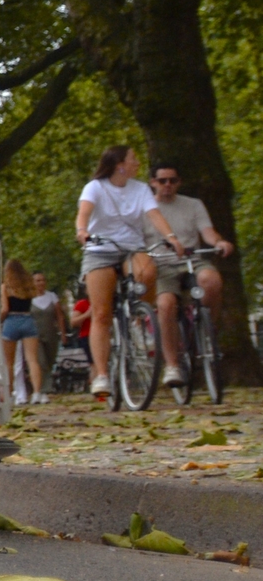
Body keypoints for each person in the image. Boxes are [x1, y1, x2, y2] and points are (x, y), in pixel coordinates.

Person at [75, 144, 190, 399]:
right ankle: (102, 376)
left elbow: (154, 214)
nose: (137, 163)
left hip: (131, 247)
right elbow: (84, 212)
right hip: (100, 249)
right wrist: (82, 231)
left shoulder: (140, 189)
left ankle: (140, 318)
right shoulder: (95, 187)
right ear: (120, 165)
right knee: (102, 313)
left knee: (147, 272)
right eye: (133, 159)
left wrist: (170, 236)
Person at [147, 160, 236, 387]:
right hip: (162, 265)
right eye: (162, 180)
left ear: (179, 182)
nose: (167, 185)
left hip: (191, 260)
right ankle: (172, 365)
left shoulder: (193, 205)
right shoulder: (144, 209)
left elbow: (207, 232)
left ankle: (205, 327)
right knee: (166, 304)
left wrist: (219, 242)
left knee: (212, 280)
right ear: (153, 182)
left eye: (172, 180)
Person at [0, 256, 45, 408]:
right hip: (28, 320)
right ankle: (37, 393)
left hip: (11, 322)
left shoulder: (6, 287)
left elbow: (5, 309)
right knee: (32, 360)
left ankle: (10, 394)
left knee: (9, 363)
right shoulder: (29, 285)